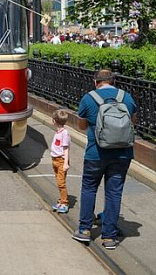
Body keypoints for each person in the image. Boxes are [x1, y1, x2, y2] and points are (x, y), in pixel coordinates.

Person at [72, 69, 137, 249]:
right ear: (113, 81)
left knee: (89, 188)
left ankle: (84, 230)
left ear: (96, 82)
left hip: (96, 154)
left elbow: (81, 125)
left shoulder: (88, 98)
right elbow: (132, 122)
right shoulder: (127, 97)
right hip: (122, 154)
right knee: (114, 192)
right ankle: (109, 237)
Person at [50, 109, 71, 213]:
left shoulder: (64, 133)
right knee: (59, 182)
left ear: (54, 120)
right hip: (55, 159)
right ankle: (62, 200)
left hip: (61, 160)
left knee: (61, 183)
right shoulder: (58, 132)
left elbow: (66, 149)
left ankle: (64, 203)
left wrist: (66, 163)